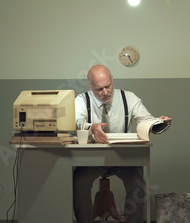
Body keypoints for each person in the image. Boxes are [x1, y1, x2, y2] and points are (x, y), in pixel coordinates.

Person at [73, 64, 172, 223]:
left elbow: (147, 120)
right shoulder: (81, 100)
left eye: (108, 86)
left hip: (123, 159)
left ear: (112, 80)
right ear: (90, 86)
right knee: (79, 182)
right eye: (99, 89)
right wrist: (92, 128)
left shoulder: (129, 98)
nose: (105, 92)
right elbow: (77, 122)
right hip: (92, 160)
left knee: (138, 185)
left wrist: (159, 122)